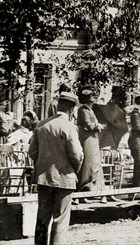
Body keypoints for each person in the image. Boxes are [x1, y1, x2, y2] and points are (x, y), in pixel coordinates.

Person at [29, 92, 83, 245]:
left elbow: (32, 152)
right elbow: (77, 155)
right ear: (72, 109)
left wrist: (43, 163)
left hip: (43, 178)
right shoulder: (70, 127)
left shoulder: (41, 125)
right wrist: (73, 170)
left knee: (42, 219)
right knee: (60, 220)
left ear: (58, 105)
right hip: (65, 178)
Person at [77, 88, 106, 198]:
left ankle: (95, 188)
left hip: (92, 138)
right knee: (88, 163)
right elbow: (89, 125)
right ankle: (84, 189)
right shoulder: (83, 110)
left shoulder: (89, 110)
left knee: (95, 163)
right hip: (87, 138)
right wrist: (98, 126)